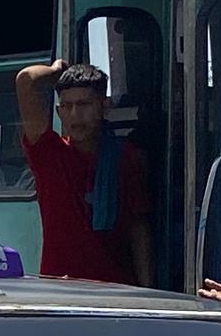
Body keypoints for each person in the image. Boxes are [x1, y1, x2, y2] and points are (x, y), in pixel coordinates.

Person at [13, 60, 153, 285]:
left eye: (84, 104)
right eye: (67, 106)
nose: (75, 115)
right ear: (59, 113)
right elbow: (26, 80)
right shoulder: (49, 155)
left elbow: (138, 228)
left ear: (104, 107)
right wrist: (57, 71)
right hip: (60, 289)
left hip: (115, 290)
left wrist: (148, 291)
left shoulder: (125, 157)